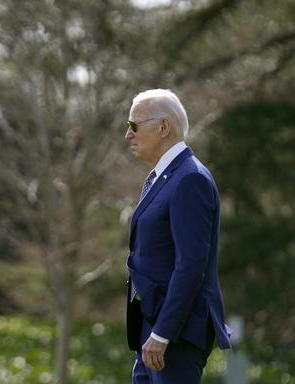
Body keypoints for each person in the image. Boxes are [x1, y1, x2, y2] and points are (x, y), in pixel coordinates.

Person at [124, 89, 232, 383]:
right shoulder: (167, 176)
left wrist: (163, 333)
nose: (128, 135)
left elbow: (191, 265)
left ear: (163, 127)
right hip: (152, 332)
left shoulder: (190, 178)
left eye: (134, 125)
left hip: (174, 336)